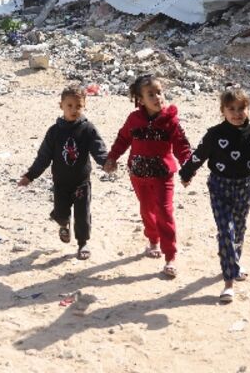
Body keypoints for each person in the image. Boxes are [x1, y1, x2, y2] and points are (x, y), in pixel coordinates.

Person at [179, 84, 250, 303]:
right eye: (231, 109)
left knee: (238, 229)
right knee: (225, 231)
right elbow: (199, 155)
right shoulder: (214, 134)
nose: (237, 114)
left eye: (241, 108)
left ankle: (234, 263)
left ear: (248, 108)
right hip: (219, 187)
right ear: (223, 111)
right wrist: (186, 173)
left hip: (244, 188)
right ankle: (228, 281)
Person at [103, 74, 191, 278]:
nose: (157, 97)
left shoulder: (171, 122)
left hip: (163, 175)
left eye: (159, 92)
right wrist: (112, 157)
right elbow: (123, 139)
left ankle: (170, 257)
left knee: (165, 212)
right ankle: (153, 239)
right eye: (150, 94)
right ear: (140, 99)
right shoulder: (134, 119)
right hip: (139, 174)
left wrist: (188, 168)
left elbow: (182, 147)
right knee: (146, 209)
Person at [18, 84, 108, 260]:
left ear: (84, 106)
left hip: (82, 181)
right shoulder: (54, 132)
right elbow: (43, 157)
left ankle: (83, 243)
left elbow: (98, 149)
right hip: (60, 183)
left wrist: (106, 163)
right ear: (61, 106)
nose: (74, 109)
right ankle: (63, 224)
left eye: (78, 106)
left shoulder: (88, 129)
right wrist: (30, 176)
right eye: (70, 105)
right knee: (60, 212)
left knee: (82, 214)